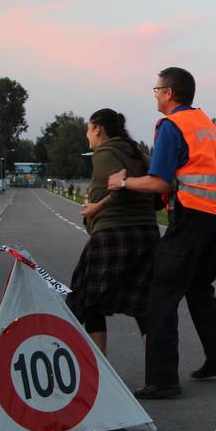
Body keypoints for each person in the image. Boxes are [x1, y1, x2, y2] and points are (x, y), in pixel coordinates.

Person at [107, 67, 216, 399]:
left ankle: (162, 380)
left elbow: (160, 181)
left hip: (194, 215)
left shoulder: (171, 125)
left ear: (168, 93)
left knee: (162, 292)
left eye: (156, 89)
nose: (154, 94)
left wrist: (122, 182)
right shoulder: (204, 123)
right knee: (199, 286)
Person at [66, 109, 159, 354]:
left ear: (98, 128)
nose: (87, 135)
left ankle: (99, 364)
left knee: (87, 299)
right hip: (147, 233)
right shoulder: (138, 152)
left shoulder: (104, 154)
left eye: (88, 128)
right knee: (142, 302)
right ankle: (157, 364)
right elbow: (158, 186)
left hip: (114, 234)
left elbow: (119, 189)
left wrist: (96, 206)